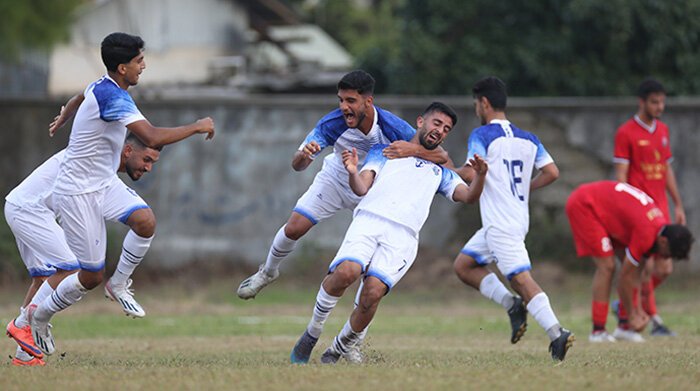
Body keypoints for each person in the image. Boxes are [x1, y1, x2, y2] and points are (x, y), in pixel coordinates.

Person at [8, 32, 215, 358]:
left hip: (103, 182)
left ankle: (118, 285)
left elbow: (81, 94)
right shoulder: (113, 97)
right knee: (89, 275)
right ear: (122, 67)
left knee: (145, 221)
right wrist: (198, 126)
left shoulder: (105, 87)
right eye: (138, 61)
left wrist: (66, 114)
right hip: (77, 192)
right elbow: (152, 135)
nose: (143, 66)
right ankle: (39, 317)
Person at [289, 102, 486, 364]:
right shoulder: (384, 151)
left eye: (446, 129)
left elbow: (469, 196)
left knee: (372, 294)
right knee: (346, 272)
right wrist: (351, 172)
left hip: (403, 238)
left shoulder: (442, 172)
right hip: (369, 221)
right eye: (436, 123)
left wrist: (481, 176)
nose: (440, 131)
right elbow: (361, 188)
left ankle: (337, 349)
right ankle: (312, 333)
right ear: (420, 122)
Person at [237, 70, 448, 299]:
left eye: (350, 101)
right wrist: (304, 156)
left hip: (371, 190)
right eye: (340, 100)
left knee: (369, 266)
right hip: (336, 179)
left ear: (368, 102)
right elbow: (297, 165)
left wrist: (413, 149)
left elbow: (441, 156)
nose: (344, 107)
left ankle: (360, 313)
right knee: (294, 227)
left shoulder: (392, 126)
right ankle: (267, 272)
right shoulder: (332, 123)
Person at [5, 134, 161, 365]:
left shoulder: (100, 166)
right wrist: (197, 127)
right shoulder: (94, 155)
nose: (148, 167)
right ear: (127, 150)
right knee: (72, 269)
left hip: (22, 204)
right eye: (146, 159)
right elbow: (141, 126)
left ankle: (25, 356)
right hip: (28, 211)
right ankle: (21, 324)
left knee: (44, 280)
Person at [451, 76, 573, 361]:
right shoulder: (529, 138)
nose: (476, 110)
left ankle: (557, 333)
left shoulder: (481, 136)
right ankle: (512, 304)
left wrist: (443, 171)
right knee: (464, 266)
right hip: (516, 218)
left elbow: (470, 173)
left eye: (476, 105)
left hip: (500, 224)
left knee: (520, 278)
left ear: (484, 103)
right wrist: (525, 188)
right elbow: (552, 172)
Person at [565, 181, 693, 343]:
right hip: (584, 205)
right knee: (607, 267)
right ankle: (598, 331)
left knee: (641, 268)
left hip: (604, 211)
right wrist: (634, 314)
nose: (665, 259)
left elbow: (636, 274)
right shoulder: (647, 232)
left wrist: (639, 312)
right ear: (663, 242)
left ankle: (624, 328)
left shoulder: (657, 226)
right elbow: (624, 278)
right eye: (667, 255)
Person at [613, 79, 686, 337]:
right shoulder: (626, 132)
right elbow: (621, 176)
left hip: (662, 211)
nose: (660, 106)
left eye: (662, 101)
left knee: (663, 268)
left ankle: (626, 306)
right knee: (643, 269)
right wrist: (625, 208)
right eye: (654, 102)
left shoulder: (663, 130)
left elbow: (666, 170)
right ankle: (653, 320)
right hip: (640, 214)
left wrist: (678, 204)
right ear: (641, 102)